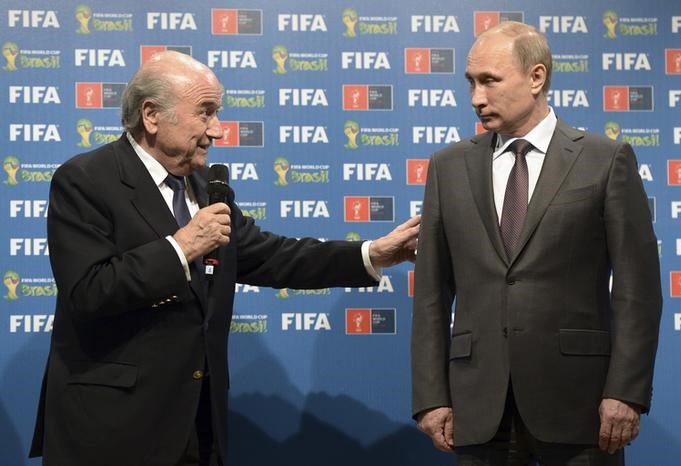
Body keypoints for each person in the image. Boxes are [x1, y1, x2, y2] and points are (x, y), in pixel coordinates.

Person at [29, 51, 420, 466]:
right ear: (151, 115)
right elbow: (88, 291)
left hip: (198, 426)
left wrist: (371, 253)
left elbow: (272, 256)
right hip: (112, 430)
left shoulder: (203, 188)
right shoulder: (86, 179)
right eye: (205, 112)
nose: (217, 130)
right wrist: (181, 248)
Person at [411, 22, 661, 466]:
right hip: (478, 409)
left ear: (536, 77)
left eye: (489, 80)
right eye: (470, 82)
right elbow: (431, 294)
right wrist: (431, 398)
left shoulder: (605, 161)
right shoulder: (447, 167)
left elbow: (637, 291)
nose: (476, 98)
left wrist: (625, 392)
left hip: (579, 408)